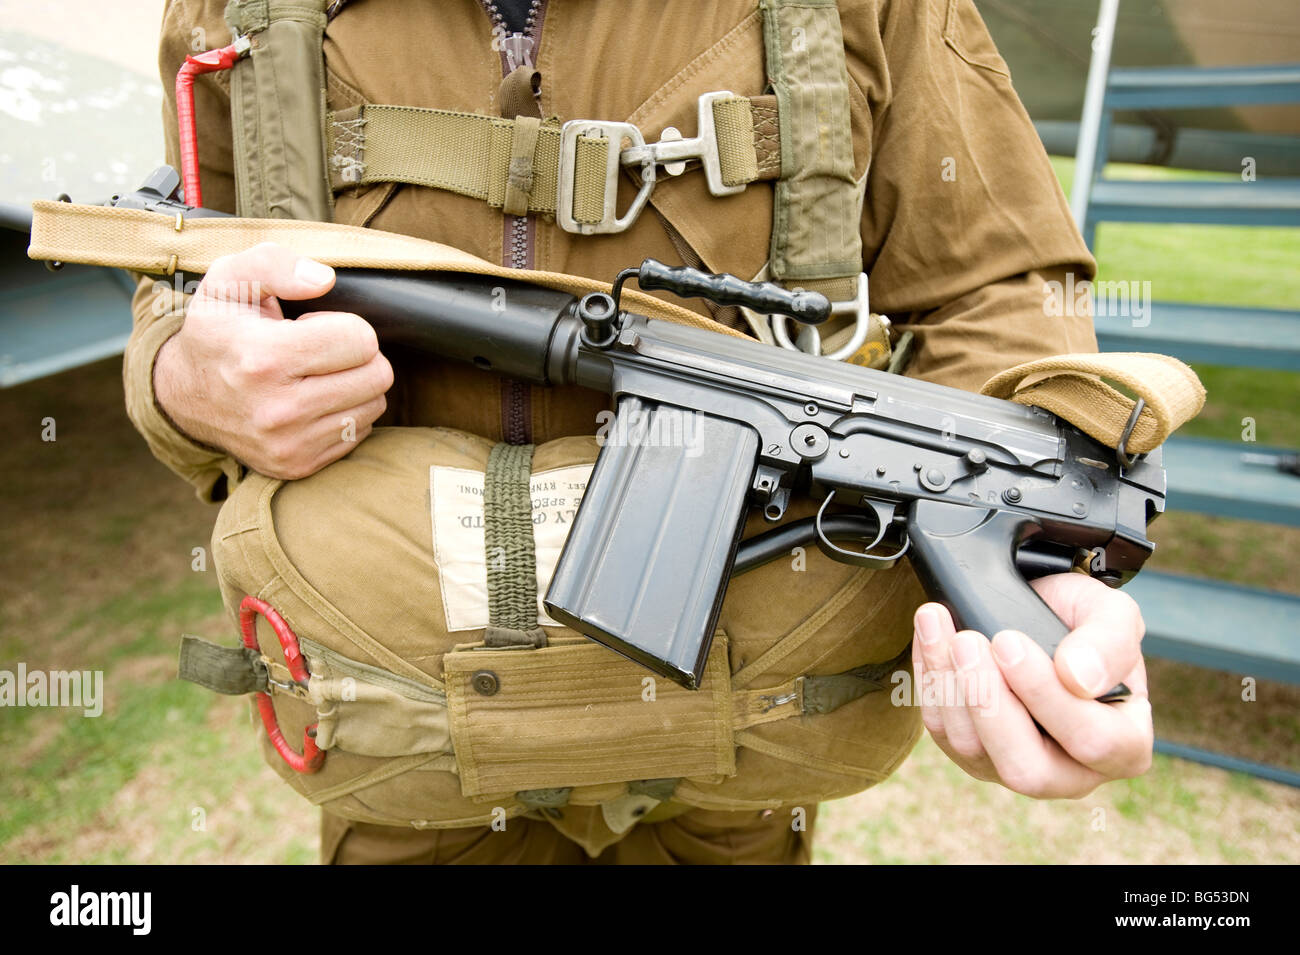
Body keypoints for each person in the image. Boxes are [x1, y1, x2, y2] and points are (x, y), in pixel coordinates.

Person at [125, 0, 1153, 864]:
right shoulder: (236, 12)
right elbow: (188, 272)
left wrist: (1048, 589)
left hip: (736, 793)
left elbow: (994, 288)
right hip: (410, 774)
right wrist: (182, 376)